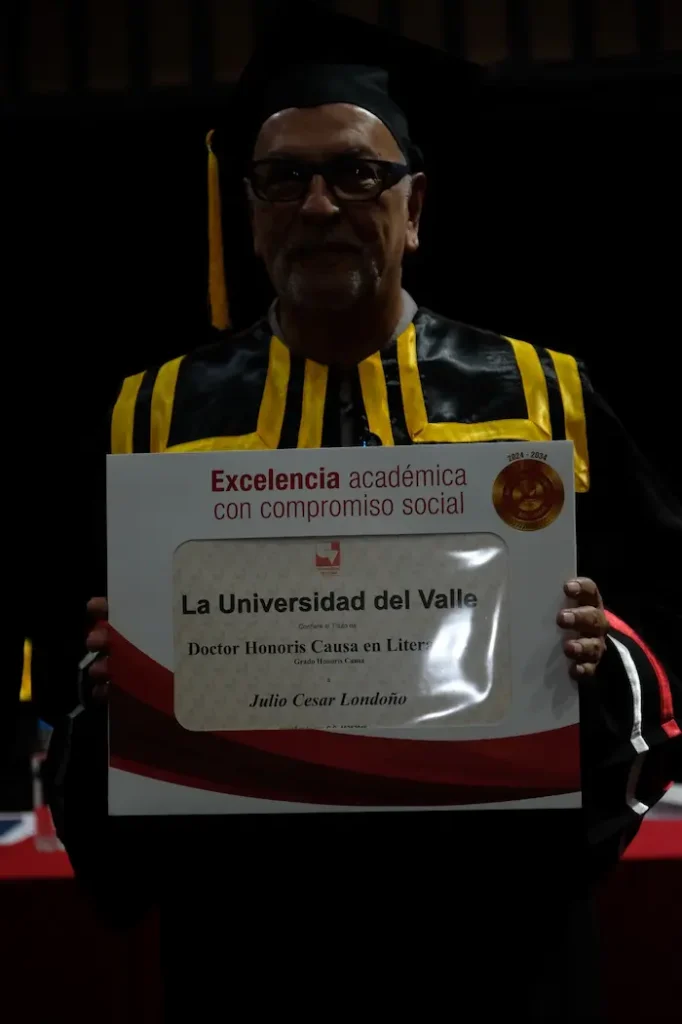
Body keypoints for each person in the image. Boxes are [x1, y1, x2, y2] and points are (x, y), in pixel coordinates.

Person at [45, 2, 681, 1019]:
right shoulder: (157, 410)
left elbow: (664, 603)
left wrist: (598, 648)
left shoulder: (538, 393)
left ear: (415, 204)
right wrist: (107, 676)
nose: (317, 205)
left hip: (490, 921)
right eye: (282, 177)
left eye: (356, 173)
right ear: (248, 209)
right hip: (251, 921)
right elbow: (71, 652)